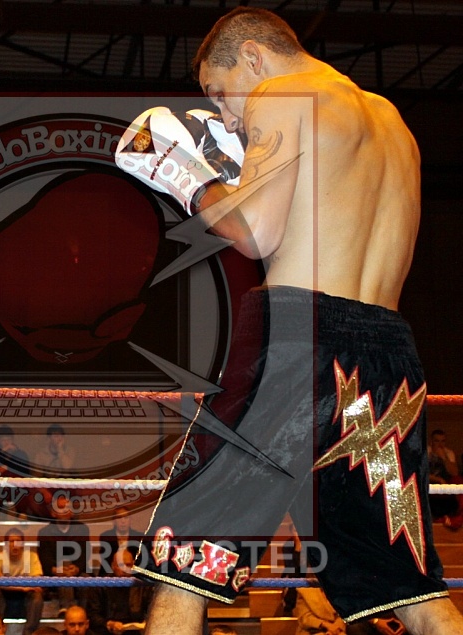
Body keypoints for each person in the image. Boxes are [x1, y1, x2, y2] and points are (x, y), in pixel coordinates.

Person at [114, 7, 463, 635]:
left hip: (295, 341)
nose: (226, 117)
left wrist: (183, 176)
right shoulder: (392, 122)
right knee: (407, 585)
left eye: (220, 93)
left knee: (185, 553)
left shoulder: (282, 95)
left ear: (253, 56)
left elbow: (254, 232)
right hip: (386, 357)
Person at [37, 494, 90, 614]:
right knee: (63, 577)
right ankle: (67, 610)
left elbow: (85, 554)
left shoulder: (82, 529)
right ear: (53, 513)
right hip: (54, 575)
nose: (65, 510)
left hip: (77, 572)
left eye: (68, 507)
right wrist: (56, 570)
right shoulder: (44, 532)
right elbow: (45, 558)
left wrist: (76, 568)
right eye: (61, 507)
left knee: (86, 581)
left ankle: (83, 613)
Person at [0, 528, 44, 635]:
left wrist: (4, 580)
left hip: (25, 595)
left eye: (18, 541)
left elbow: (36, 583)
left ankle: (29, 633)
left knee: (37, 597)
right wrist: (23, 587)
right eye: (11, 541)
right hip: (5, 593)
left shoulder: (32, 557)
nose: (14, 544)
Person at [83, 550, 151, 635]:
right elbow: (92, 615)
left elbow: (150, 610)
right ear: (113, 566)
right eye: (121, 565)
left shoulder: (142, 586)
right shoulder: (100, 586)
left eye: (128, 565)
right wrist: (108, 624)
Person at [427, 429, 463, 529]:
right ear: (431, 441)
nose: (440, 444)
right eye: (437, 441)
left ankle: (458, 517)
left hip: (445, 485)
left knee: (458, 480)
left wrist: (444, 458)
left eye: (442, 441)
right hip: (429, 483)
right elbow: (420, 473)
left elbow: (454, 473)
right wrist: (438, 479)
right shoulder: (426, 452)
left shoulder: (448, 453)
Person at [96, 507, 141, 576]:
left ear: (130, 520)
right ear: (114, 521)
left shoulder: (138, 537)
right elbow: (106, 560)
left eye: (126, 517)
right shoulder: (106, 537)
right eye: (119, 518)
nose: (123, 521)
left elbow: (140, 560)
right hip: (110, 572)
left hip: (132, 572)